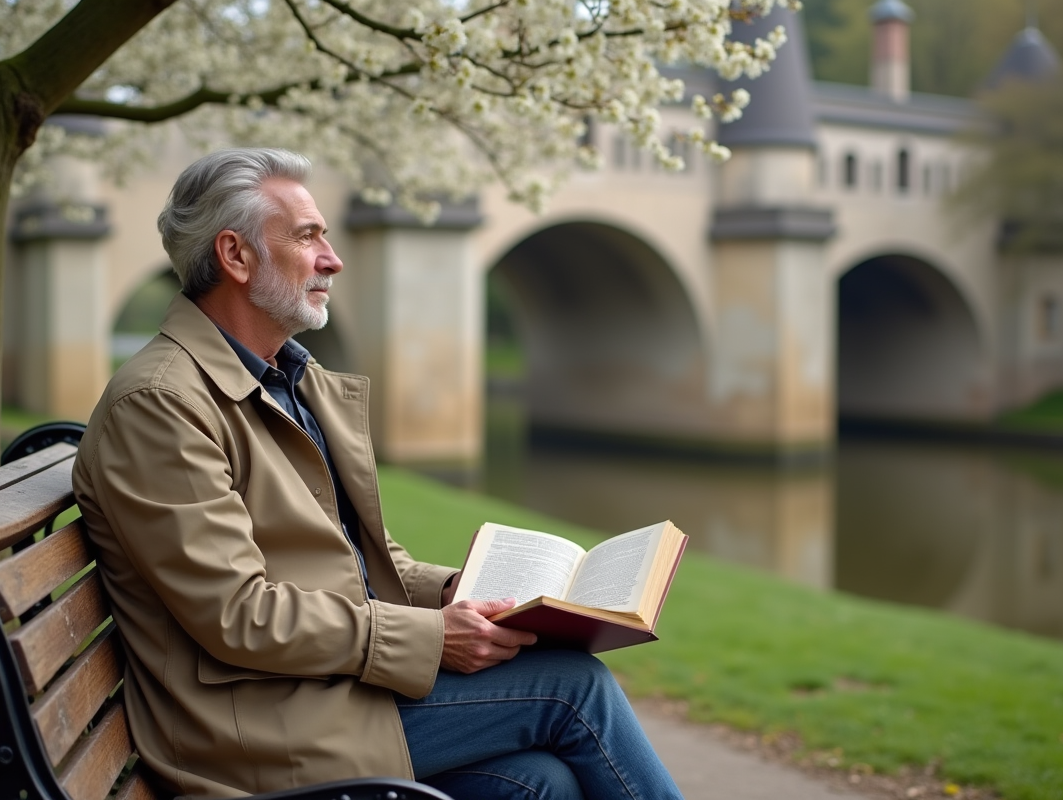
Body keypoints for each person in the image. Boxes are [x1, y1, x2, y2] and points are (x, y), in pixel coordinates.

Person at [73, 147, 684, 800]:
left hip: (316, 695)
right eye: (308, 238)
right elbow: (237, 613)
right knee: (572, 687)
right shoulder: (162, 405)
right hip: (254, 731)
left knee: (536, 782)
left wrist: (454, 594)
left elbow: (362, 558)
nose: (332, 260)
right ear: (236, 256)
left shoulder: (289, 383)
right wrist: (432, 639)